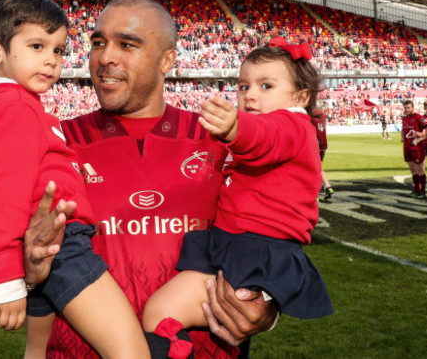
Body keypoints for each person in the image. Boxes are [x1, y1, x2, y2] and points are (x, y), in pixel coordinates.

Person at [12, 0, 279, 358]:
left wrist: (267, 301)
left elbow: (274, 236)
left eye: (127, 44)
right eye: (98, 43)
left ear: (167, 59)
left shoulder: (220, 141)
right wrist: (24, 265)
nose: (105, 57)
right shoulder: (56, 141)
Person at [0, 0, 149, 358]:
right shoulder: (16, 109)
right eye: (37, 46)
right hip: (63, 246)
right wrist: (6, 280)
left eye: (59, 50)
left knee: (37, 351)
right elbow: (1, 198)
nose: (51, 60)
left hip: (54, 242)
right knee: (132, 353)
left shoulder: (21, 106)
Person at [141, 38, 334, 358]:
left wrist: (235, 128)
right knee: (180, 316)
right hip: (238, 243)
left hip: (255, 249)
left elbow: (265, 136)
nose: (251, 94)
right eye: (243, 86)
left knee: (162, 312)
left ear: (300, 97)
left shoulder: (294, 125)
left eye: (266, 85)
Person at [401, 100, 427, 199]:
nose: (406, 110)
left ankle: (423, 191)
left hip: (417, 148)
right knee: (413, 170)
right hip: (407, 147)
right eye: (405, 108)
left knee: (420, 169)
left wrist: (421, 135)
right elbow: (402, 129)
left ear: (413, 108)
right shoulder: (404, 118)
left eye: (408, 108)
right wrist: (402, 137)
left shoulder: (418, 117)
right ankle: (416, 190)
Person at [311, 108, 334, 200]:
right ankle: (328, 187)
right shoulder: (321, 115)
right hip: (323, 144)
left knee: (311, 169)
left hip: (315, 144)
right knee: (318, 167)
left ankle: (314, 194)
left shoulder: (310, 115)